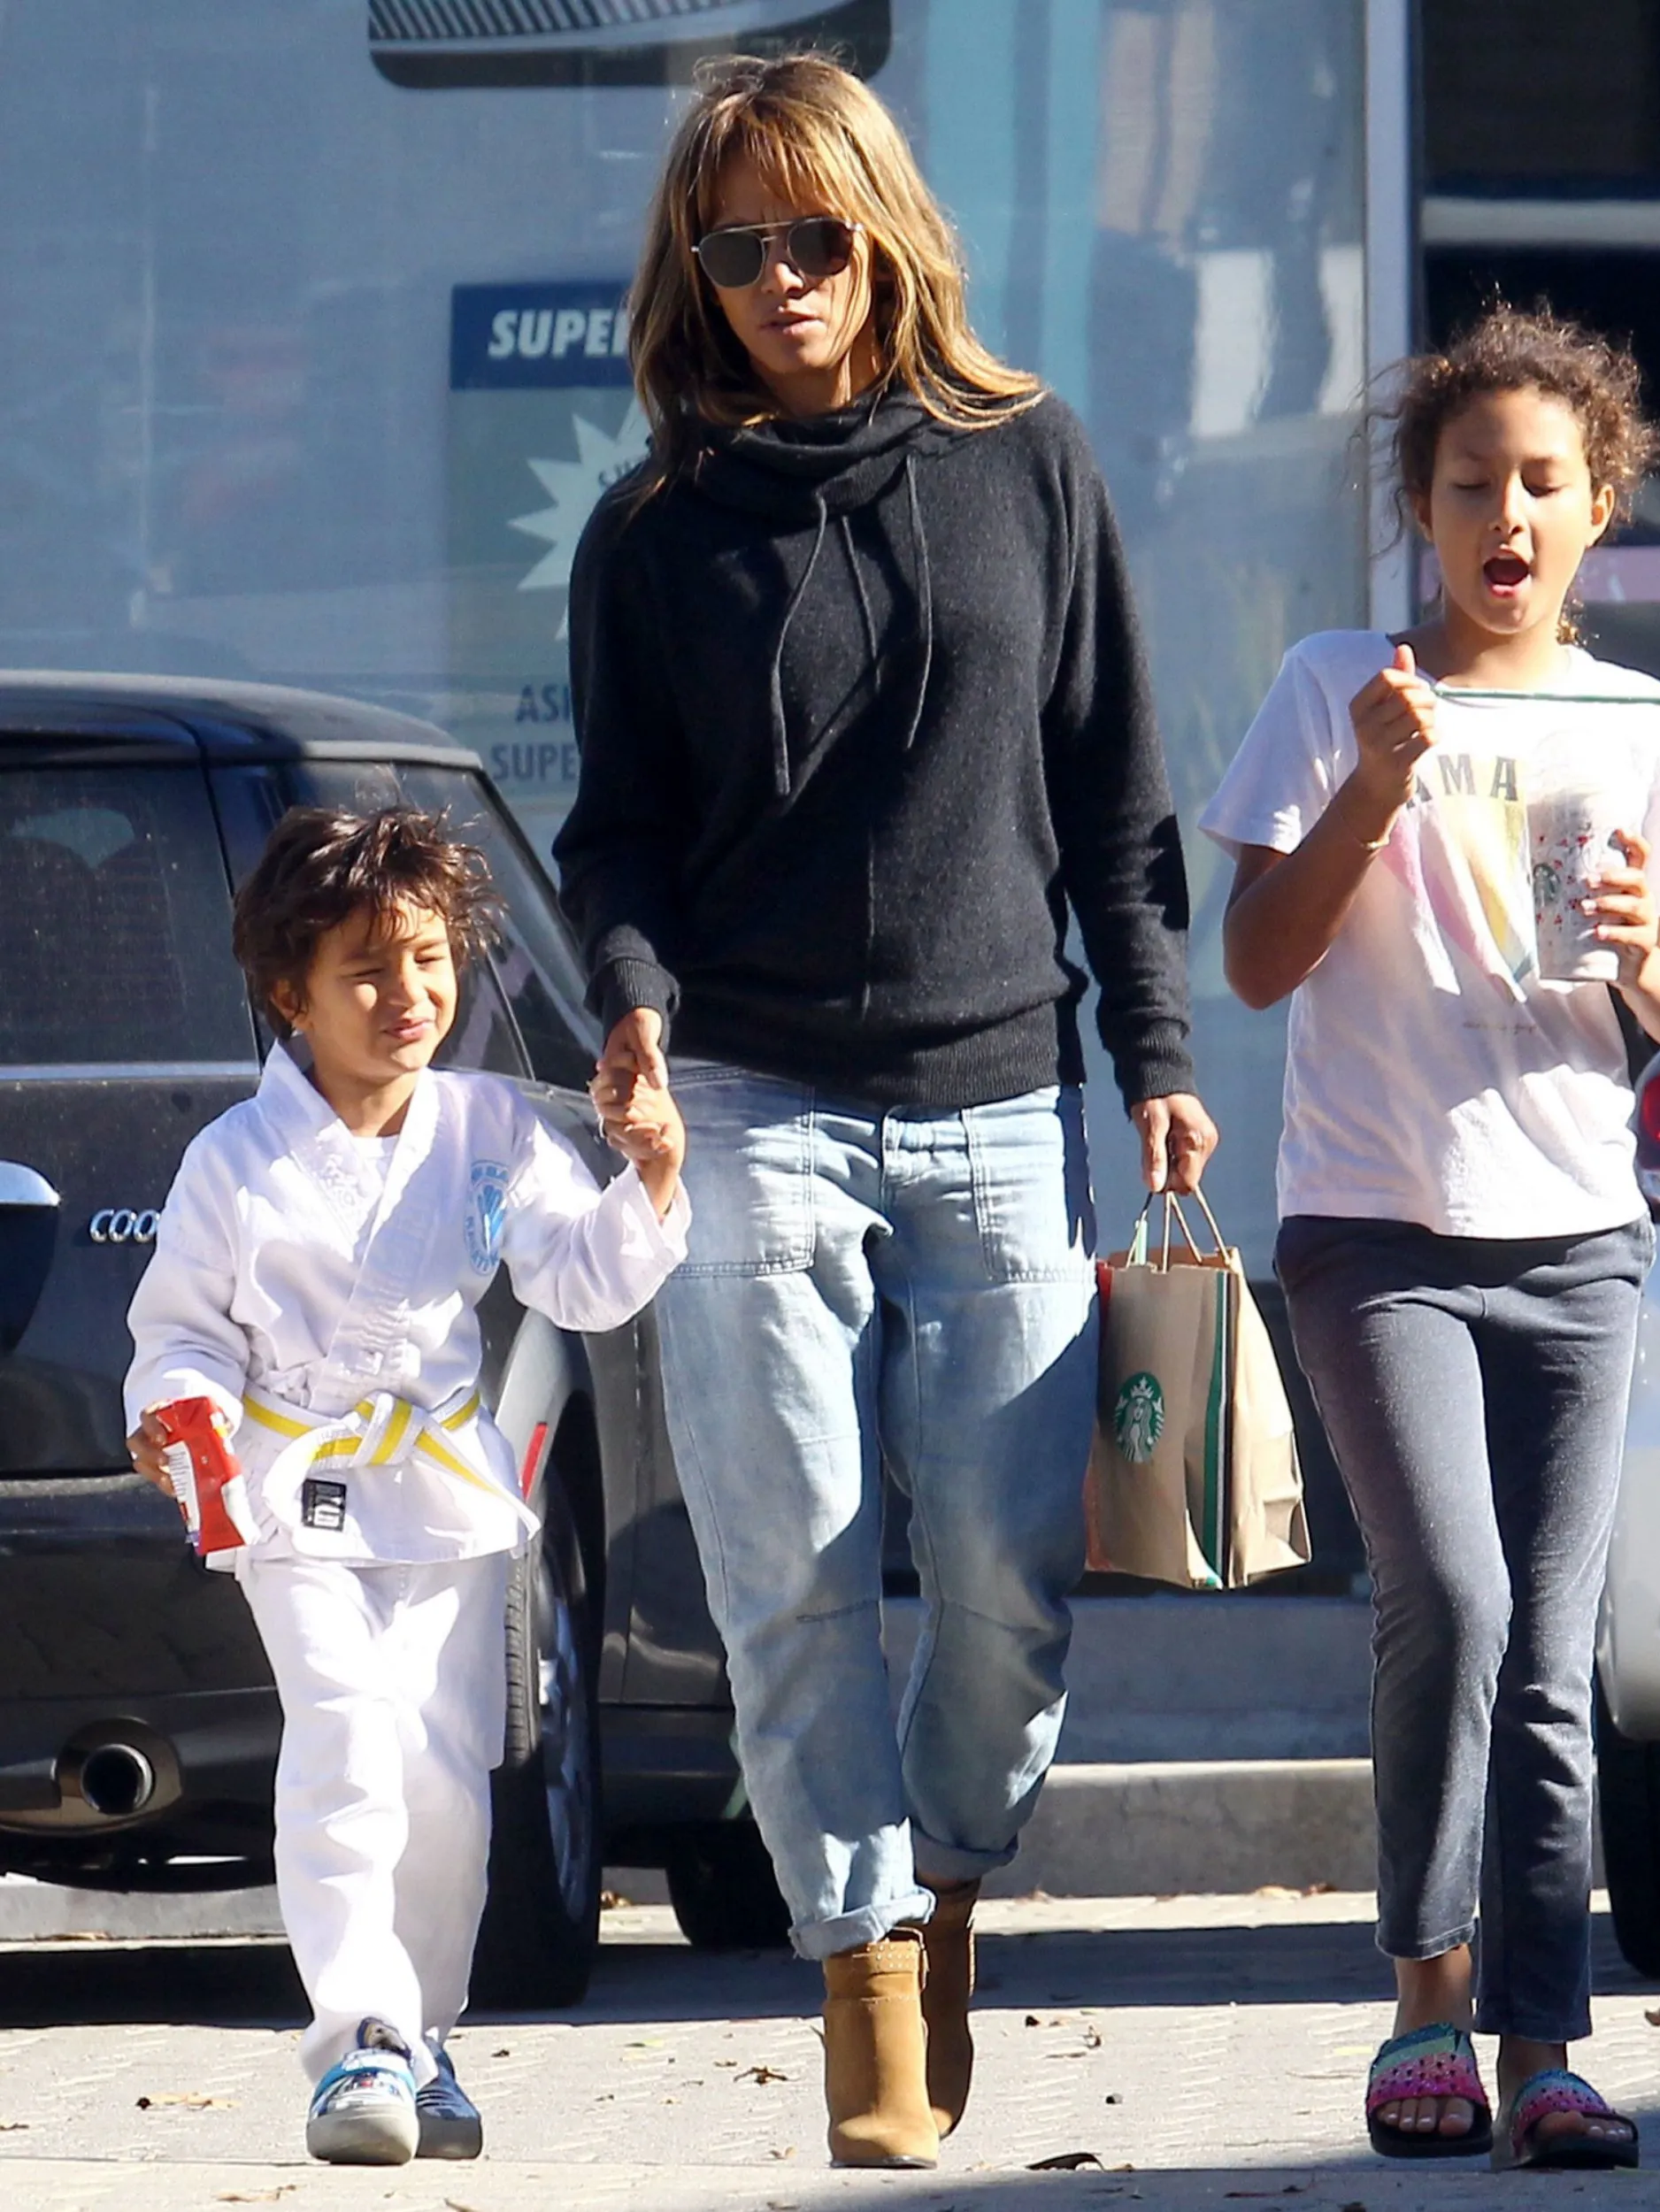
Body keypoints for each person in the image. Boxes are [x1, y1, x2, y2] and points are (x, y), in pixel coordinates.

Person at [556, 50, 1216, 2171]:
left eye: (811, 237)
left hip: (998, 1095)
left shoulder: (1027, 464)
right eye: (731, 248)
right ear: (697, 272)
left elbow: (1114, 804)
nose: (775, 280)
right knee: (789, 1566)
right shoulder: (653, 531)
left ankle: (946, 1885)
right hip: (746, 1095)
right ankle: (854, 1974)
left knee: (1013, 1574)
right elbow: (620, 832)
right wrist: (636, 1007)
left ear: (886, 233)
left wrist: (1163, 1058)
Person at [1206, 306, 1660, 2172]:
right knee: (1457, 1589)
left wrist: (1635, 943)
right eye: (1468, 484)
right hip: (1375, 1232)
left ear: (1597, 510)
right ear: (1417, 514)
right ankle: (1425, 1996)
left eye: (1542, 482)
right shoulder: (1332, 685)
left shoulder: (1641, 726)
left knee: (1553, 1639)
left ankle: (1545, 2049)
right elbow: (1257, 964)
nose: (1505, 513)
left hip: (1581, 1239)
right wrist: (1368, 784)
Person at [124, 807, 686, 2168]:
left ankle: (423, 2037)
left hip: (438, 1491)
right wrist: (176, 1413)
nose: (408, 996)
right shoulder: (234, 1163)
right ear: (288, 993)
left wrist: (649, 1172)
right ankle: (356, 2040)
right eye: (366, 970)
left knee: (443, 1783)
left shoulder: (488, 1128)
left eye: (427, 959)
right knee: (346, 1745)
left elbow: (582, 1278)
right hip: (289, 1490)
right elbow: (180, 1330)